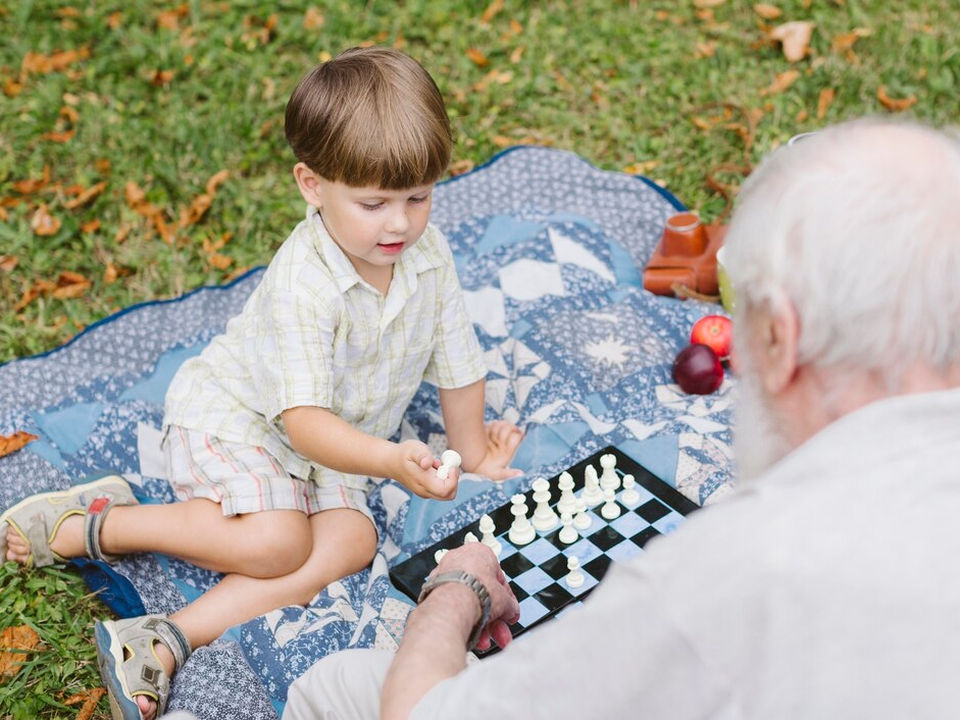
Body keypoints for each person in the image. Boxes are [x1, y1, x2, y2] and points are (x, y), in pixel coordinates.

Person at [278, 119, 960, 720]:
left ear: (779, 339)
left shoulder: (725, 574)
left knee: (334, 685)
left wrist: (456, 591)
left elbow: (424, 713)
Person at [0, 47, 523, 720]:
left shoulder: (428, 254)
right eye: (374, 203)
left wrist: (473, 452)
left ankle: (164, 638)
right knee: (280, 543)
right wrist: (392, 459)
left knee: (353, 543)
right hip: (245, 419)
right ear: (312, 185)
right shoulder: (304, 283)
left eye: (417, 197)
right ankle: (102, 523)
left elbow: (457, 359)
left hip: (337, 443)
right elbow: (303, 423)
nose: (400, 222)